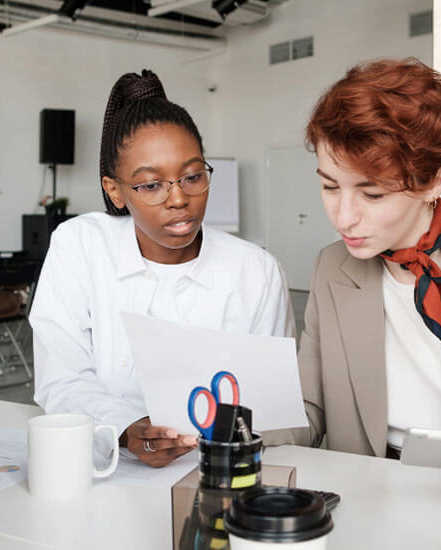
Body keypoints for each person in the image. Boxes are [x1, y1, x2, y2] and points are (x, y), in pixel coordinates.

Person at [265, 58, 441, 496]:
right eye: (329, 187)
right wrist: (228, 427)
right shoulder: (332, 267)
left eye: (373, 193)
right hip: (369, 494)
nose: (343, 217)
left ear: (434, 181)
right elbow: (307, 408)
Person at [30, 69, 294, 468]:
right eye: (151, 185)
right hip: (106, 466)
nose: (179, 199)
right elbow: (61, 378)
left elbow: (270, 401)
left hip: (218, 472)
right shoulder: (81, 246)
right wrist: (125, 428)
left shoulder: (255, 271)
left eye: (192, 177)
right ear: (115, 191)